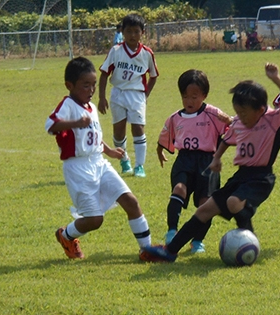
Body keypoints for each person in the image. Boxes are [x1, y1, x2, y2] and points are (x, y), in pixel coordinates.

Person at [140, 63, 280, 263]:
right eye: (237, 112)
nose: (239, 117)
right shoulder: (241, 123)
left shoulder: (273, 120)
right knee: (204, 209)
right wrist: (216, 158)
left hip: (261, 178)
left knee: (233, 202)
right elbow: (226, 141)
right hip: (240, 176)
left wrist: (276, 78)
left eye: (243, 113)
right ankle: (170, 251)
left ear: (260, 109)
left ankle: (250, 240)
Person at [46, 56, 152, 260]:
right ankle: (65, 235)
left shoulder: (91, 108)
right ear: (70, 85)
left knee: (130, 201)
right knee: (95, 220)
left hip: (99, 163)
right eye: (86, 85)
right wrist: (75, 122)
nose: (92, 89)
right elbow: (50, 126)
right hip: (78, 168)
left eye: (94, 84)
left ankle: (147, 250)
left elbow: (93, 138)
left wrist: (110, 151)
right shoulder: (68, 105)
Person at [156, 69, 232, 253]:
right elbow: (165, 136)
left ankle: (197, 242)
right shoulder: (175, 118)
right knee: (179, 189)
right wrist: (160, 150)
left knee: (206, 203)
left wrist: (229, 120)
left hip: (207, 163)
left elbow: (233, 128)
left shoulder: (213, 114)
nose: (189, 101)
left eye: (194, 97)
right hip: (184, 160)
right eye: (185, 97)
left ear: (204, 95)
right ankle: (172, 231)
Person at [98, 13, 158, 178]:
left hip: (137, 95)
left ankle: (139, 166)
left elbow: (153, 76)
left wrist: (145, 95)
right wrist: (101, 98)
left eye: (136, 31)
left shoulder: (147, 53)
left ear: (142, 32)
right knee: (119, 131)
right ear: (122, 32)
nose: (133, 35)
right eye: (129, 31)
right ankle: (124, 159)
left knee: (138, 128)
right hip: (118, 93)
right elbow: (104, 74)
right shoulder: (116, 51)